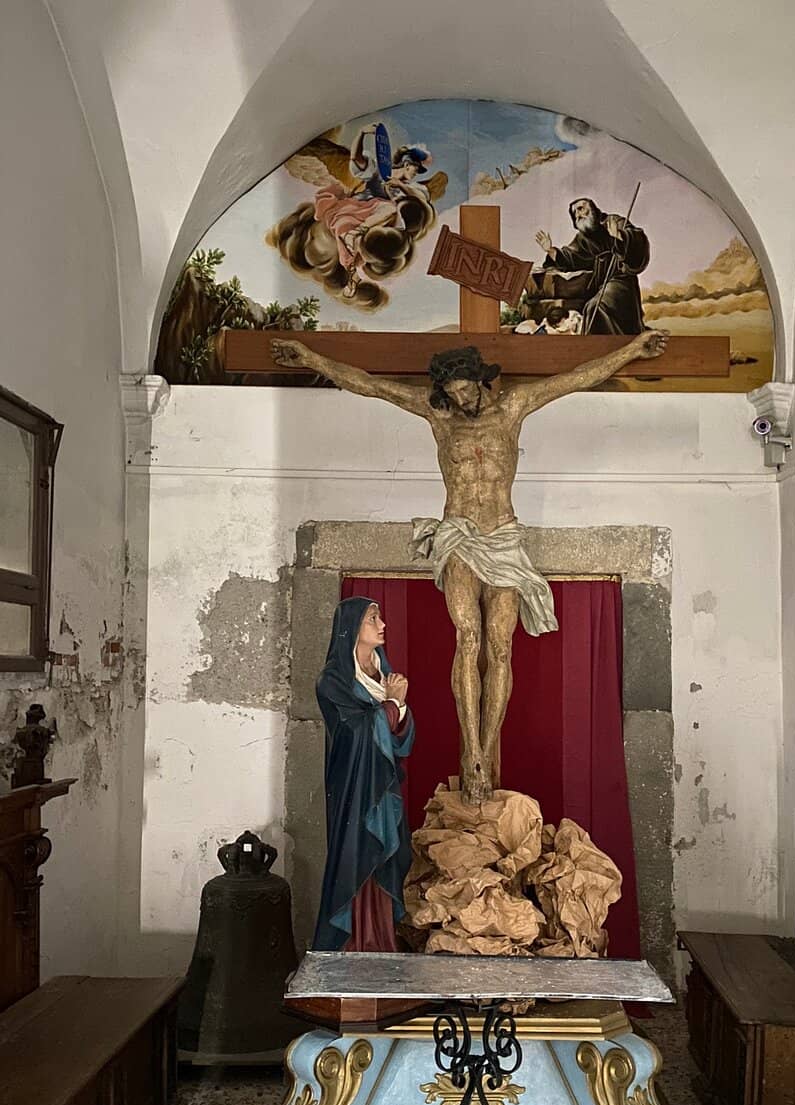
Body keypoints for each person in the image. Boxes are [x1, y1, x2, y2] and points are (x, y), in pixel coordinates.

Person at [271, 327, 668, 804]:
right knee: (469, 637)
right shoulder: (440, 417)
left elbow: (576, 378)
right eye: (453, 394)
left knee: (501, 647)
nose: (460, 401)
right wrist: (310, 358)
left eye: (466, 391)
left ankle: (489, 747)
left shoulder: (514, 406)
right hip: (459, 535)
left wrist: (632, 349)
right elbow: (372, 385)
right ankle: (472, 752)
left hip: (503, 538)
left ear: (482, 381)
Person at [313, 597, 414, 951]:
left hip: (382, 788)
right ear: (352, 627)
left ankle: (381, 942)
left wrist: (398, 707)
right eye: (373, 618)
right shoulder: (333, 680)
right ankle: (353, 943)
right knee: (355, 856)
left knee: (385, 857)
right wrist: (392, 704)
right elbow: (352, 732)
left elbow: (399, 740)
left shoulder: (383, 673)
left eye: (380, 617)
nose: (382, 624)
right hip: (354, 789)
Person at [312, 126, 434, 298]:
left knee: (386, 216)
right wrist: (361, 133)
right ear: (407, 164)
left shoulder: (413, 187)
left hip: (380, 220)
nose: (416, 174)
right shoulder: (379, 170)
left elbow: (421, 200)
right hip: (358, 207)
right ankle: (352, 262)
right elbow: (356, 159)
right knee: (348, 225)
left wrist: (400, 186)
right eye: (416, 169)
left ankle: (354, 253)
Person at [535, 197, 650, 334]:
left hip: (621, 282)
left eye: (581, 209)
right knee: (589, 308)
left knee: (596, 307)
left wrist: (620, 236)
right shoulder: (583, 238)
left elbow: (637, 243)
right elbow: (571, 257)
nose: (578, 214)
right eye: (574, 213)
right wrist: (551, 250)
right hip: (600, 285)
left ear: (593, 209)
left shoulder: (613, 222)